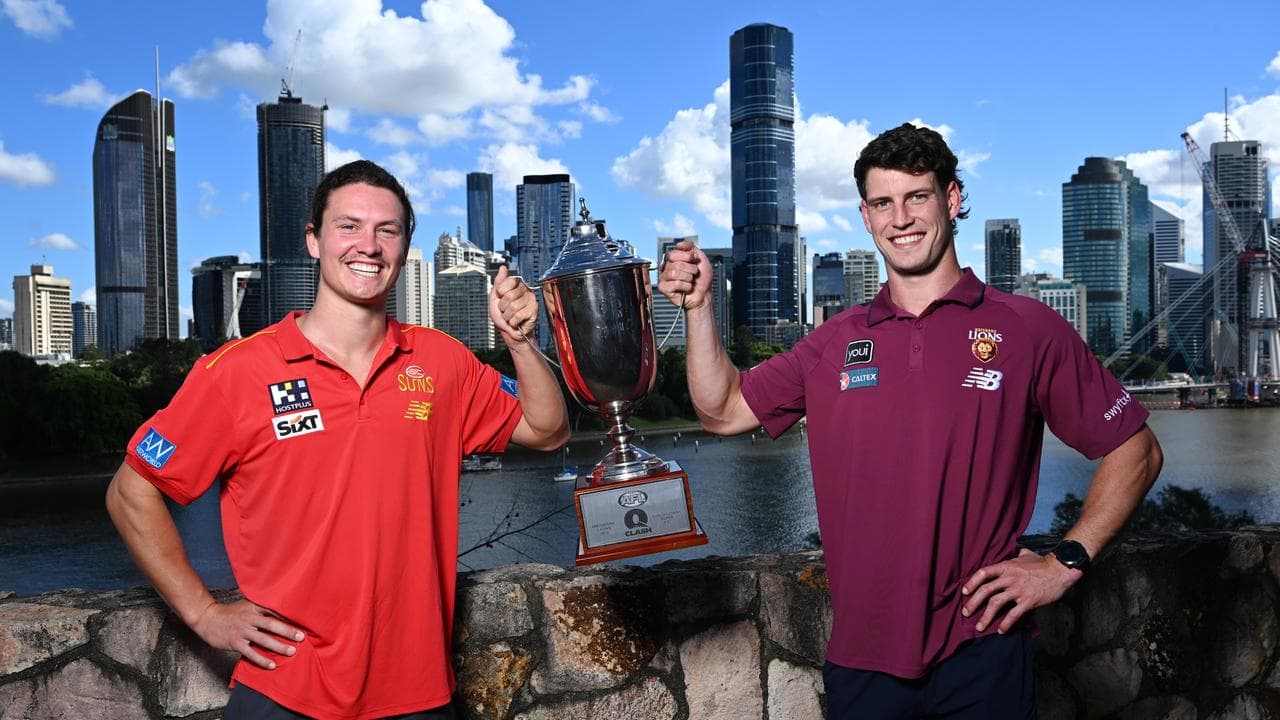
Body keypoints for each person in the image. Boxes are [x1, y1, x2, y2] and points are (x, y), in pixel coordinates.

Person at [658, 123, 1162, 719]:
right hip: (862, 660)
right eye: (882, 203)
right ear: (866, 217)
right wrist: (699, 309)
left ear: (951, 199)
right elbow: (721, 411)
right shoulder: (833, 342)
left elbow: (1137, 449)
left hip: (984, 651)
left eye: (917, 197)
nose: (901, 218)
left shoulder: (1025, 327)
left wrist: (1065, 562)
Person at [106, 160, 569, 719]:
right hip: (284, 691)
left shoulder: (441, 359)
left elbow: (548, 430)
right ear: (313, 240)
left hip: (420, 695)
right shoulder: (235, 373)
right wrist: (204, 613)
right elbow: (131, 492)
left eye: (387, 230)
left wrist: (520, 341)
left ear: (403, 246)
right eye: (348, 226)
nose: (368, 246)